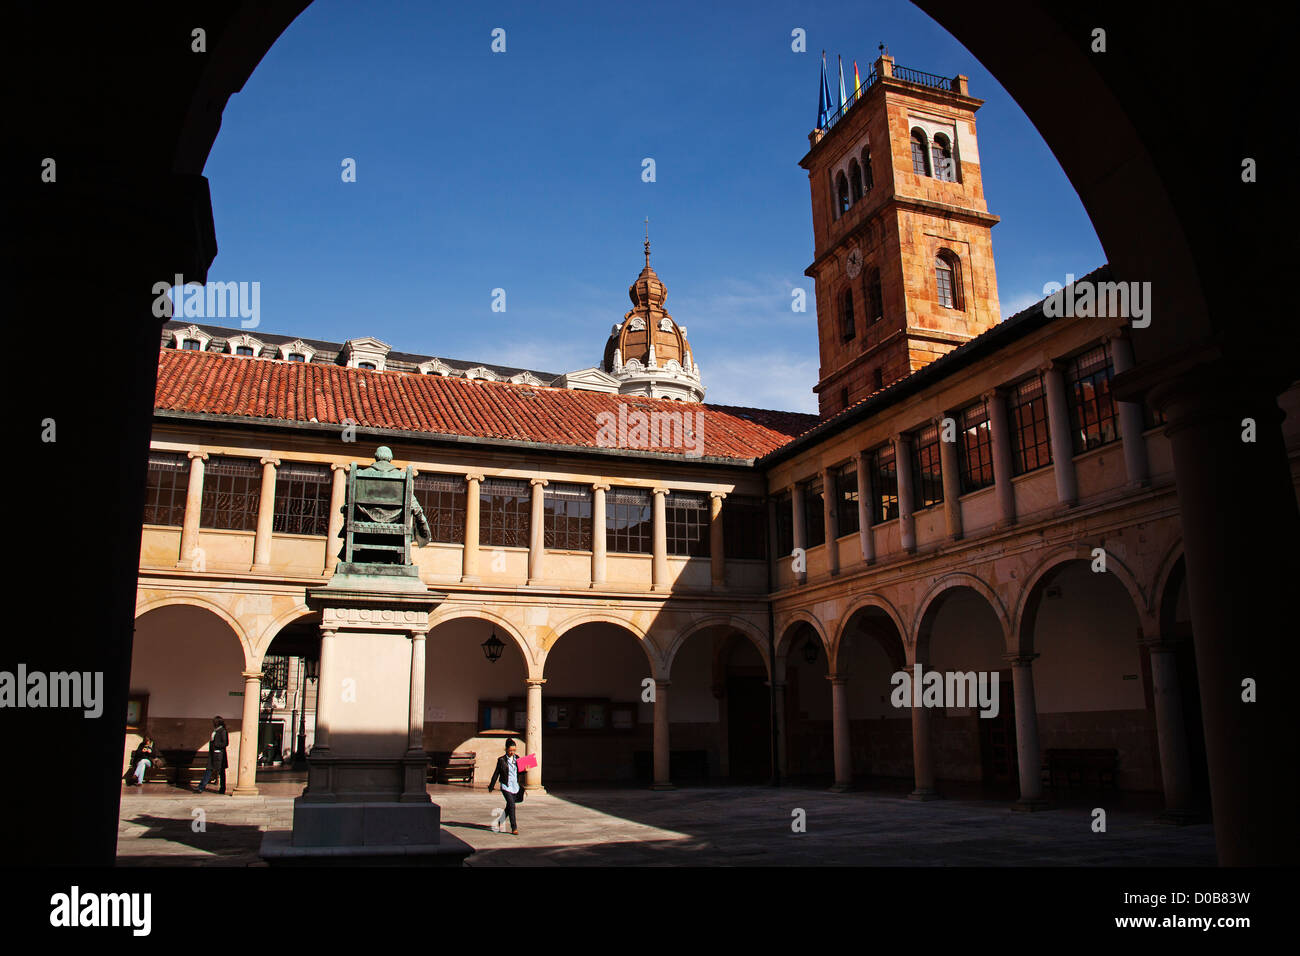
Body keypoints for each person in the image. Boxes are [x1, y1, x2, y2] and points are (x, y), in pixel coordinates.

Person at [487, 738, 525, 835]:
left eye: (514, 750)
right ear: (506, 749)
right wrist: (491, 785)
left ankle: (500, 822)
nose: (512, 752)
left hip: (515, 785)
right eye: (510, 750)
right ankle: (514, 827)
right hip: (506, 785)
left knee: (509, 806)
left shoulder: (517, 758)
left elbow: (520, 771)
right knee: (512, 805)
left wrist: (526, 770)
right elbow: (496, 773)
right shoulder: (501, 760)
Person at [195, 716, 229, 794]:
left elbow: (225, 743)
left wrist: (215, 745)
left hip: (219, 756)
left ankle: (222, 788)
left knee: (221, 773)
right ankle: (201, 787)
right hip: (213, 755)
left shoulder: (222, 731)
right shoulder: (215, 731)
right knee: (208, 770)